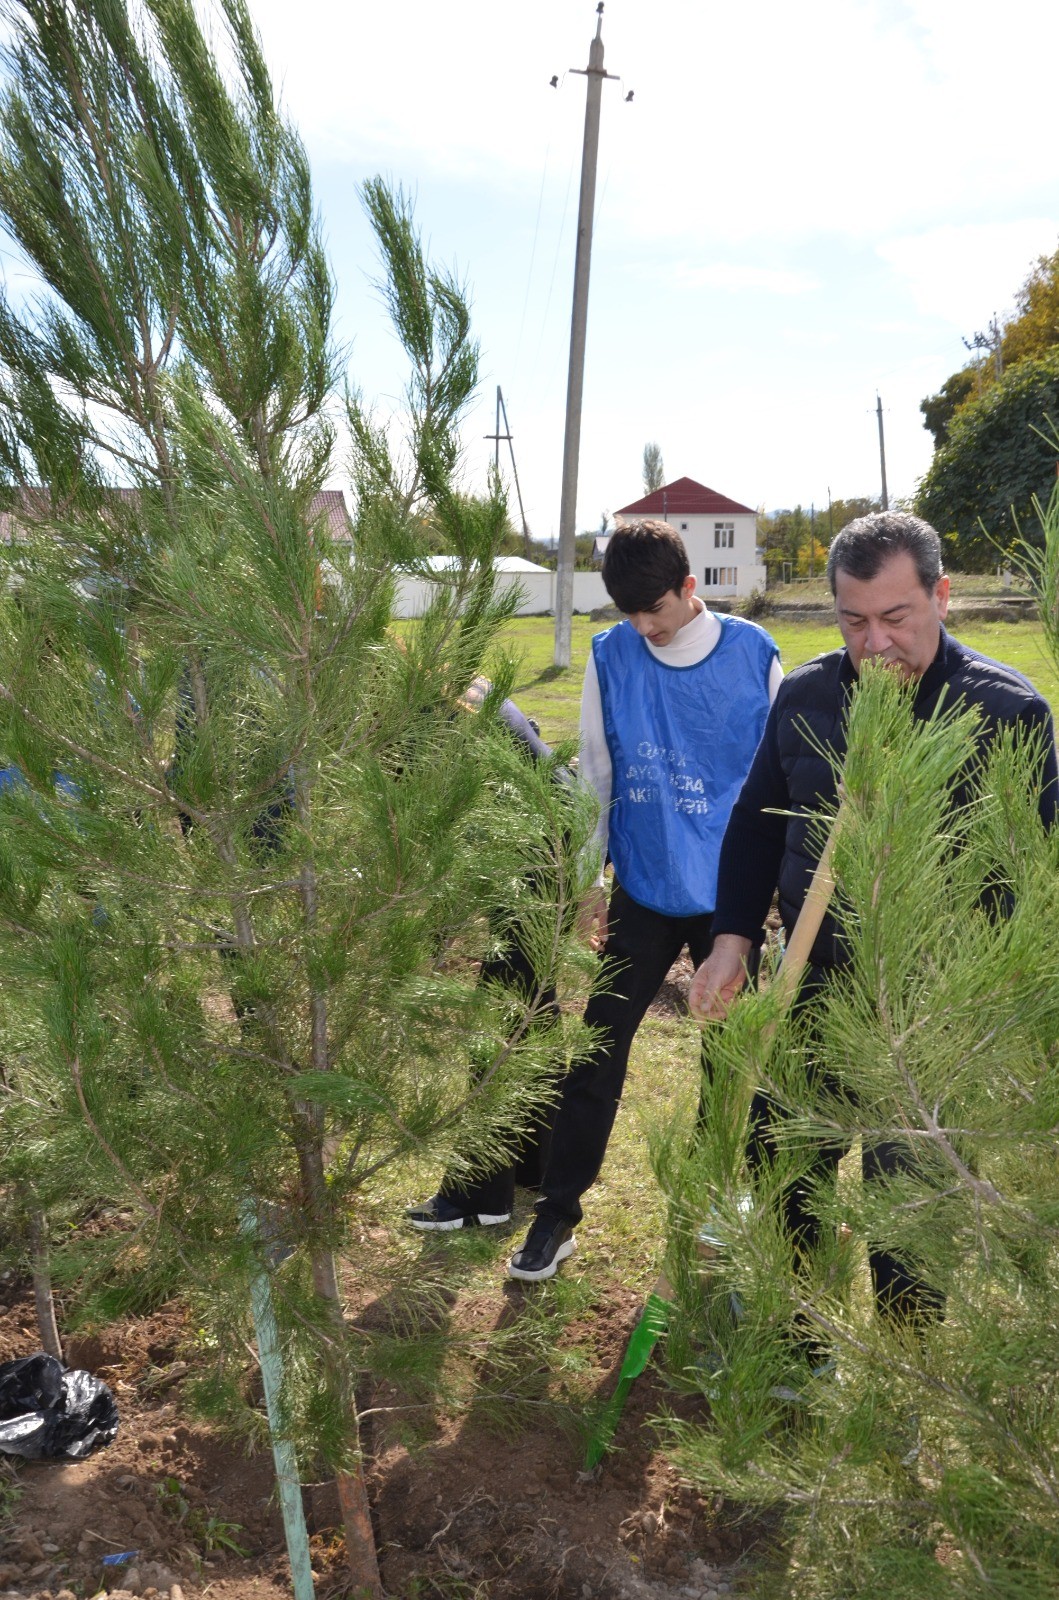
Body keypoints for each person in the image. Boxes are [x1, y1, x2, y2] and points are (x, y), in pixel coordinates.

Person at [688, 510, 1058, 1343]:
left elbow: (1034, 881)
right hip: (808, 993)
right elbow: (753, 825)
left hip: (932, 1018)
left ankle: (900, 1389)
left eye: (895, 618)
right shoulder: (809, 695)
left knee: (909, 1224)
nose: (874, 643)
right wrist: (731, 939)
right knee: (788, 1187)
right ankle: (796, 1358)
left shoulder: (1005, 713)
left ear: (941, 596)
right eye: (853, 621)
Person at [508, 519, 782, 1281]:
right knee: (595, 1053)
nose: (641, 627)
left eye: (652, 610)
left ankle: (720, 1210)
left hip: (727, 899)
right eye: (625, 612)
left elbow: (784, 784)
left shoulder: (753, 657)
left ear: (690, 588)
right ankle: (555, 1216)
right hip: (645, 886)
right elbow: (595, 772)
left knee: (732, 1062)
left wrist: (774, 905)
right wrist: (588, 882)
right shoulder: (612, 654)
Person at [405, 676, 570, 1230]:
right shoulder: (461, 690)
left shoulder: (431, 719)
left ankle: (479, 1196)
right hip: (556, 840)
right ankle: (537, 1164)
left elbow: (431, 829)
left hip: (535, 851)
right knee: (530, 1014)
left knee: (499, 1022)